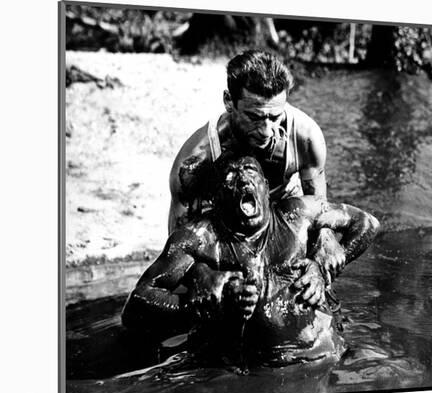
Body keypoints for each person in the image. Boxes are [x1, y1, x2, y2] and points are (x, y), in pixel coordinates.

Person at [123, 155, 380, 365]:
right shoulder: (199, 238)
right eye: (230, 177)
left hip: (326, 354)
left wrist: (321, 267)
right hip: (241, 369)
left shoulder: (297, 215)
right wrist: (204, 306)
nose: (243, 179)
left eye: (249, 170)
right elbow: (136, 307)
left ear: (266, 187)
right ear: (215, 198)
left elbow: (366, 223)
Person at [168, 49, 344, 280]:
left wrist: (326, 242)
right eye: (255, 117)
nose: (267, 131)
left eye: (274, 117)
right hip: (225, 219)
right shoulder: (195, 160)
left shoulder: (306, 136)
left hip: (283, 213)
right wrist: (206, 277)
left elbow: (319, 204)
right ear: (229, 101)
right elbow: (181, 240)